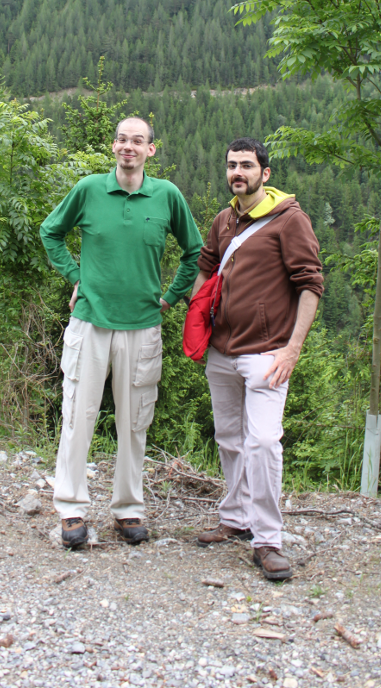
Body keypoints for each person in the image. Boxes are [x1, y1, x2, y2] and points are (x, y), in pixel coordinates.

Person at [40, 117, 203, 548]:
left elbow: (195, 252)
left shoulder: (167, 195)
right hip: (90, 322)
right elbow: (50, 232)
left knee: (135, 423)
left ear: (152, 149)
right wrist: (75, 275)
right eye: (122, 140)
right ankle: (71, 509)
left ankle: (128, 511)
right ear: (114, 147)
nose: (128, 147)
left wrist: (170, 297)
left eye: (138, 141)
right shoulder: (89, 189)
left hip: (142, 326)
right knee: (78, 416)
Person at [192, 137, 323, 579]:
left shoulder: (290, 220)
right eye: (232, 165)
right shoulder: (223, 221)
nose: (237, 172)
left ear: (264, 174)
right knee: (229, 439)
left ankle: (267, 540)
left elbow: (310, 284)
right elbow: (207, 266)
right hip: (222, 350)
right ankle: (235, 518)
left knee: (263, 442)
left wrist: (293, 349)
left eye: (246, 165)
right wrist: (197, 322)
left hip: (268, 354)